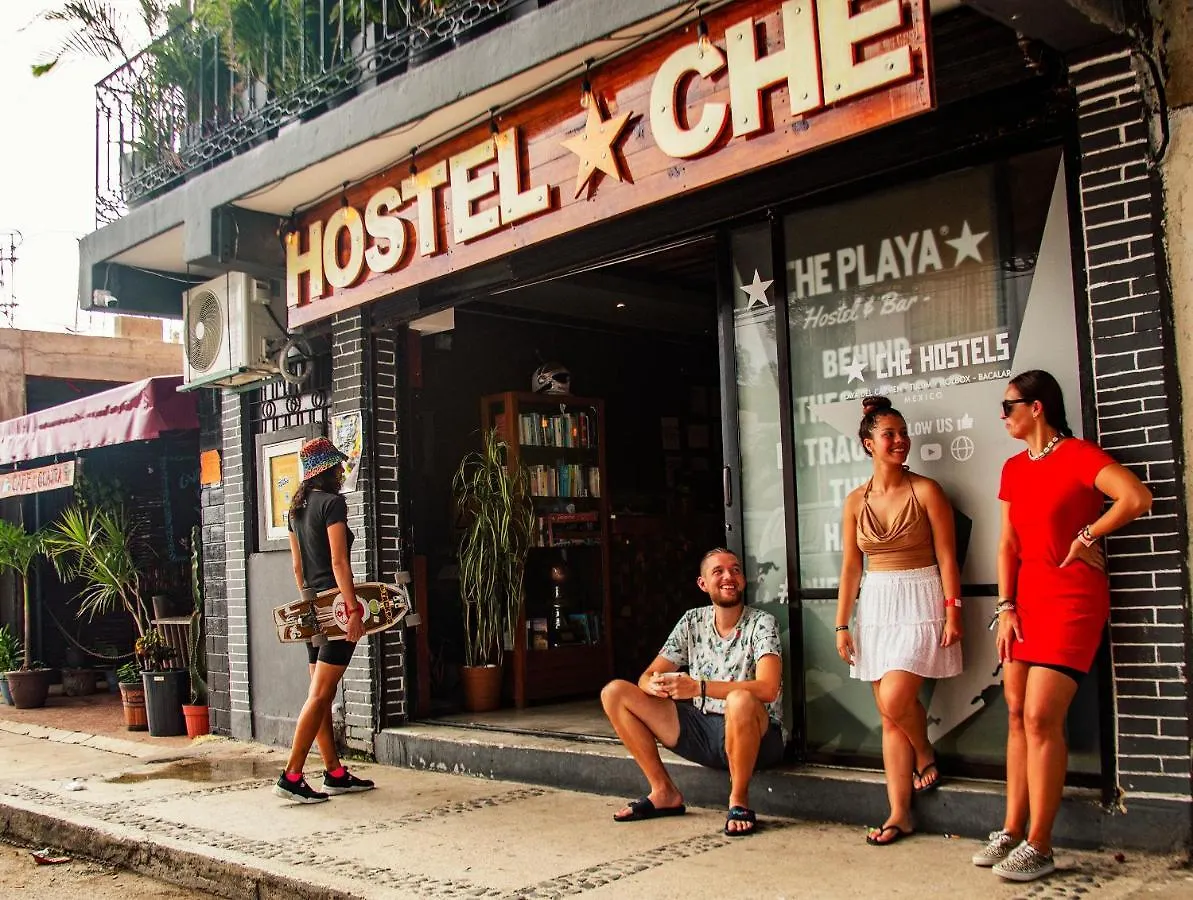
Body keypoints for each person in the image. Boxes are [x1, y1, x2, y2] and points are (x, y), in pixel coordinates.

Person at [975, 370, 1151, 881]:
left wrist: (1088, 534)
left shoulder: (1078, 456)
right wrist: (1005, 606)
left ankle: (1041, 844)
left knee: (1039, 717)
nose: (1002, 416)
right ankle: (1012, 830)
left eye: (1008, 406)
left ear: (1037, 407)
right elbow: (1007, 544)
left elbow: (1137, 498)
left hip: (1072, 600)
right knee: (1015, 713)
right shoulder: (1013, 468)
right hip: (1025, 602)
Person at [835, 396, 963, 846]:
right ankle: (899, 813)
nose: (900, 441)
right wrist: (842, 623)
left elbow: (948, 557)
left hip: (920, 596)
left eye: (903, 433)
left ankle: (924, 749)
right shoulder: (855, 501)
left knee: (894, 699)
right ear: (868, 443)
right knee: (889, 717)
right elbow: (851, 567)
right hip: (876, 604)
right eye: (889, 434)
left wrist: (953, 609)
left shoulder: (927, 491)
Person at [600, 548, 784, 836]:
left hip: (756, 736)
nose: (729, 577)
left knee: (739, 700)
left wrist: (698, 687)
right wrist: (654, 685)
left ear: (743, 580)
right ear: (702, 584)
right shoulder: (692, 621)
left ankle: (738, 800)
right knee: (615, 692)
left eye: (735, 570)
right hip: (702, 730)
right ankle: (663, 791)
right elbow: (647, 675)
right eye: (718, 571)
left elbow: (768, 688)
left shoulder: (762, 623)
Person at [273, 437, 374, 803]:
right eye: (338, 466)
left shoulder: (295, 509)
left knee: (321, 694)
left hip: (312, 608)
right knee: (319, 695)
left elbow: (297, 567)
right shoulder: (332, 504)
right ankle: (291, 775)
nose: (341, 471)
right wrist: (352, 610)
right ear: (328, 469)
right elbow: (339, 562)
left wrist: (309, 609)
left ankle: (334, 772)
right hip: (335, 609)